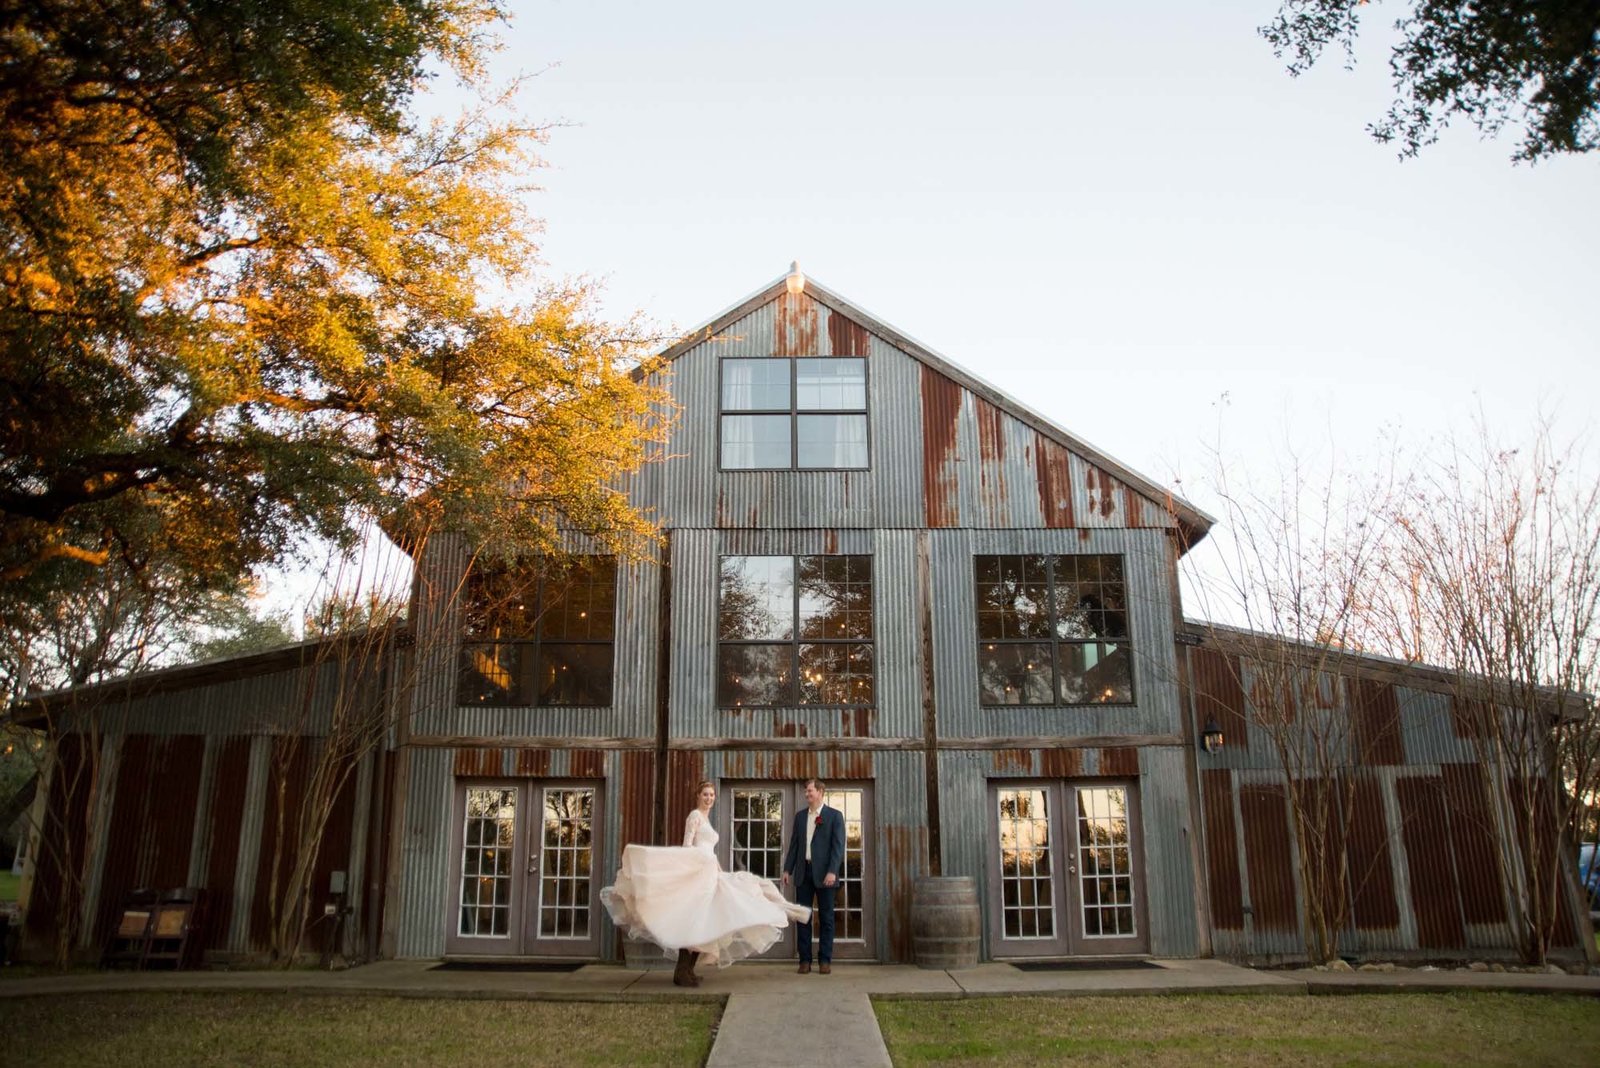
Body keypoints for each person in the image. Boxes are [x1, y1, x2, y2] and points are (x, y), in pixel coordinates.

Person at [601, 781, 811, 987]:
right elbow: (687, 846)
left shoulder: (706, 819)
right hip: (699, 875)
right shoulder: (694, 816)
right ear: (698, 796)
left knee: (706, 920)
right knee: (696, 920)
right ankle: (682, 972)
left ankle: (687, 971)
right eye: (705, 795)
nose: (709, 798)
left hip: (710, 872)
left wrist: (720, 871)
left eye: (711, 795)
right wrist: (693, 870)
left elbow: (709, 851)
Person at [782, 777, 845, 975]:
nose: (807, 794)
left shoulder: (834, 816)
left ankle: (825, 960)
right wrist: (787, 869)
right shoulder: (800, 817)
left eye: (810, 791)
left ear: (820, 792)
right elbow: (794, 846)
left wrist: (832, 871)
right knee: (803, 918)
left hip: (826, 875)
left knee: (826, 919)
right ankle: (804, 961)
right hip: (803, 873)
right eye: (806, 791)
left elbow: (838, 847)